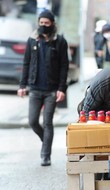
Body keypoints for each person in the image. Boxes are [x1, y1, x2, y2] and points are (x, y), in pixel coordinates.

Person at [17, 10, 69, 166]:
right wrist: (22, 85)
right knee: (33, 121)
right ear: (38, 23)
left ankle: (45, 155)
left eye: (47, 23)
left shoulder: (60, 42)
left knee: (48, 122)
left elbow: (64, 66)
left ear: (52, 23)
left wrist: (62, 88)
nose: (44, 25)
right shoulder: (32, 41)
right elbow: (26, 63)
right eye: (41, 23)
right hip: (34, 88)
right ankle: (45, 140)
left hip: (51, 90)